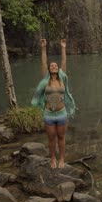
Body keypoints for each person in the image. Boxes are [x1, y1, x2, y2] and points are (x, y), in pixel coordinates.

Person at [31, 38, 76, 169]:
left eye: (55, 66)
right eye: (52, 66)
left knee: (61, 137)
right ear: (49, 70)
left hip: (62, 113)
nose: (54, 66)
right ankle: (52, 159)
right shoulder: (46, 80)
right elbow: (44, 62)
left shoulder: (62, 77)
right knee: (51, 139)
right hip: (49, 114)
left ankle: (61, 159)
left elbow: (64, 61)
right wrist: (43, 48)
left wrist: (63, 47)